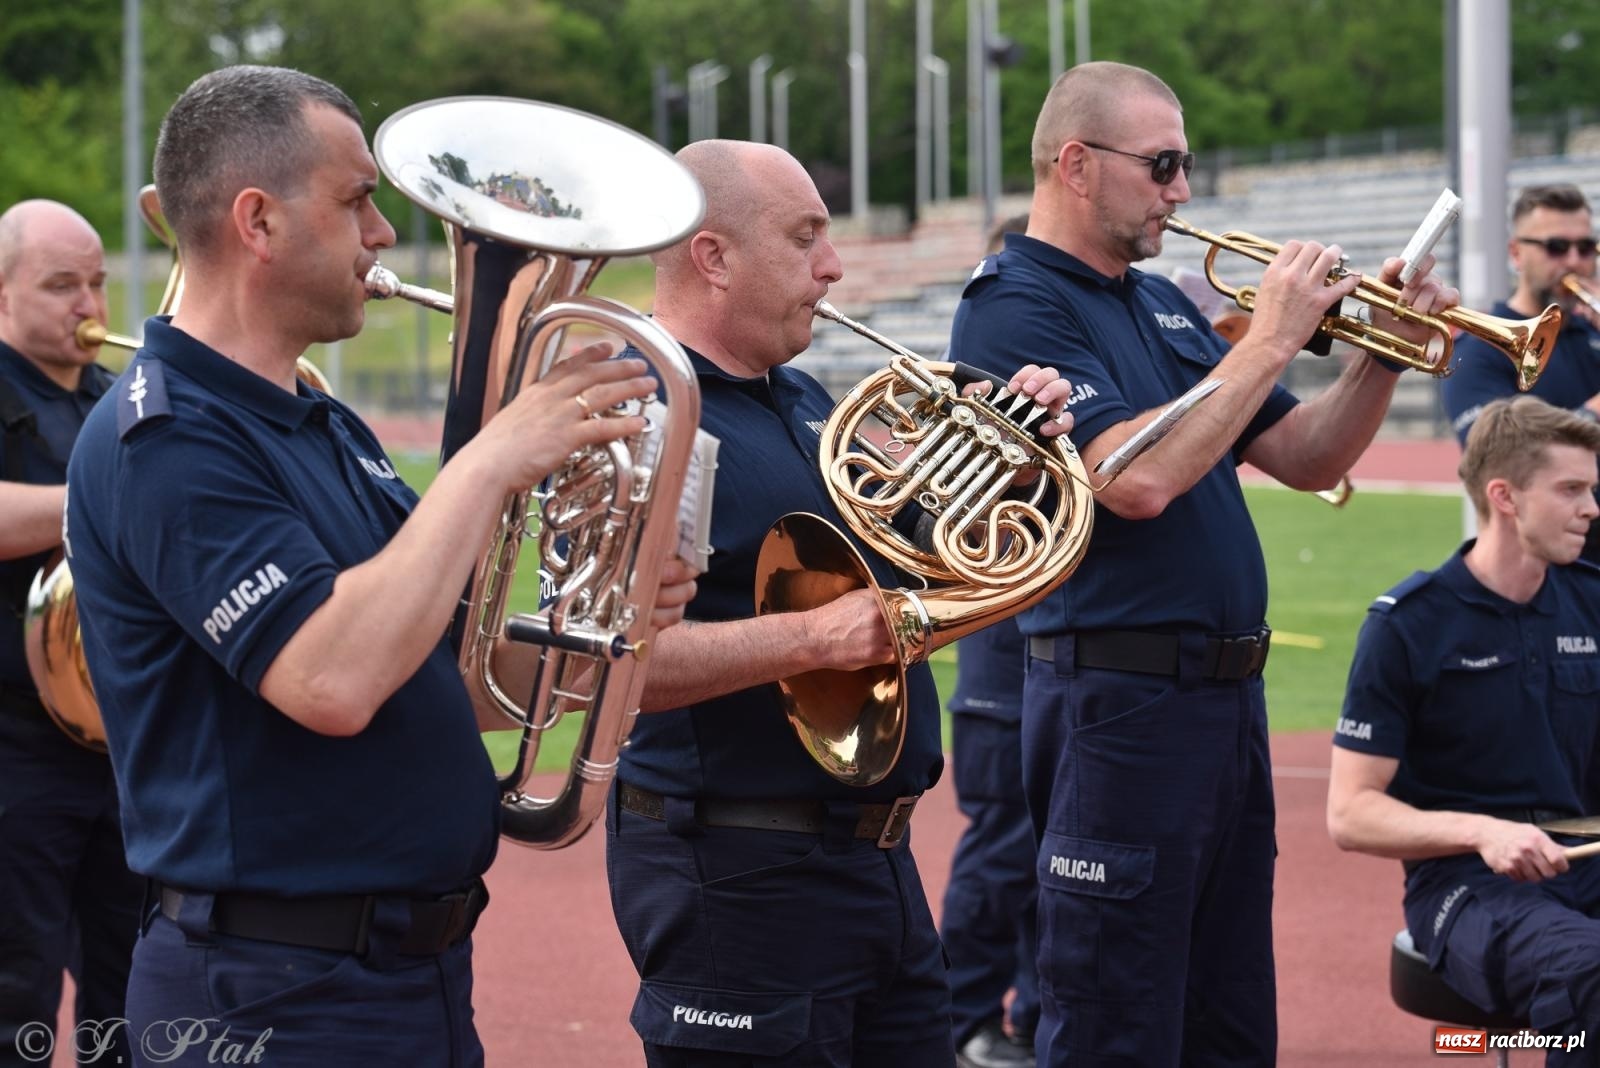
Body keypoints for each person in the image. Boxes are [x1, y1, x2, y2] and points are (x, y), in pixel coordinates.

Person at [63, 65, 692, 1066]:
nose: (385, 233)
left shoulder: (320, 424)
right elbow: (332, 679)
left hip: (403, 976)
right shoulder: (168, 439)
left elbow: (446, 671)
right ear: (258, 221)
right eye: (357, 200)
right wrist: (490, 460)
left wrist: (606, 631)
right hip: (273, 992)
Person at [946, 61, 1457, 1066]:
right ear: (1078, 165)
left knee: (1225, 1017)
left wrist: (1381, 353)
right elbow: (1129, 481)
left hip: (1220, 709)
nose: (1182, 191)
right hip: (1117, 704)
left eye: (1187, 165)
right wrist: (1269, 335)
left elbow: (1306, 457)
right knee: (1113, 1018)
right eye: (1164, 165)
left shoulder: (1160, 305)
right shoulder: (1012, 308)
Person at [604, 139, 1075, 1068]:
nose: (835, 265)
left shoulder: (806, 398)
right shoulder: (651, 412)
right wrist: (813, 636)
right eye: (805, 236)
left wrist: (1008, 451)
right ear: (714, 256)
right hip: (740, 873)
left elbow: (908, 577)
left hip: (870, 860)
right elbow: (615, 668)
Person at [1327, 395, 1600, 1065]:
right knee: (1591, 971)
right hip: (1468, 885)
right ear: (1505, 497)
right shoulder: (1407, 626)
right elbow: (1350, 814)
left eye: (1592, 488)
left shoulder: (1592, 599)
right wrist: (1483, 831)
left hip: (1586, 857)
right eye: (1572, 489)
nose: (1592, 507)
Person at [0, 201, 140, 1066]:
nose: (89, 305)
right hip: (14, 752)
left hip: (122, 745)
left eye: (95, 282)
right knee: (13, 991)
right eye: (62, 285)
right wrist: (105, 504)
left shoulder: (113, 398)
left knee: (130, 998)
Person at [941, 212, 1039, 1068]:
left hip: (1044, 671)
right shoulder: (982, 389)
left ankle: (1032, 1019)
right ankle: (962, 1019)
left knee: (1058, 859)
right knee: (1004, 852)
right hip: (1002, 673)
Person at [1441, 183, 1600, 562]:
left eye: (1587, 248)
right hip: (1548, 574)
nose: (1574, 261)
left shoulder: (1593, 334)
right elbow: (1496, 459)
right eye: (1556, 247)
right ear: (1516, 253)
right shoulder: (1481, 349)